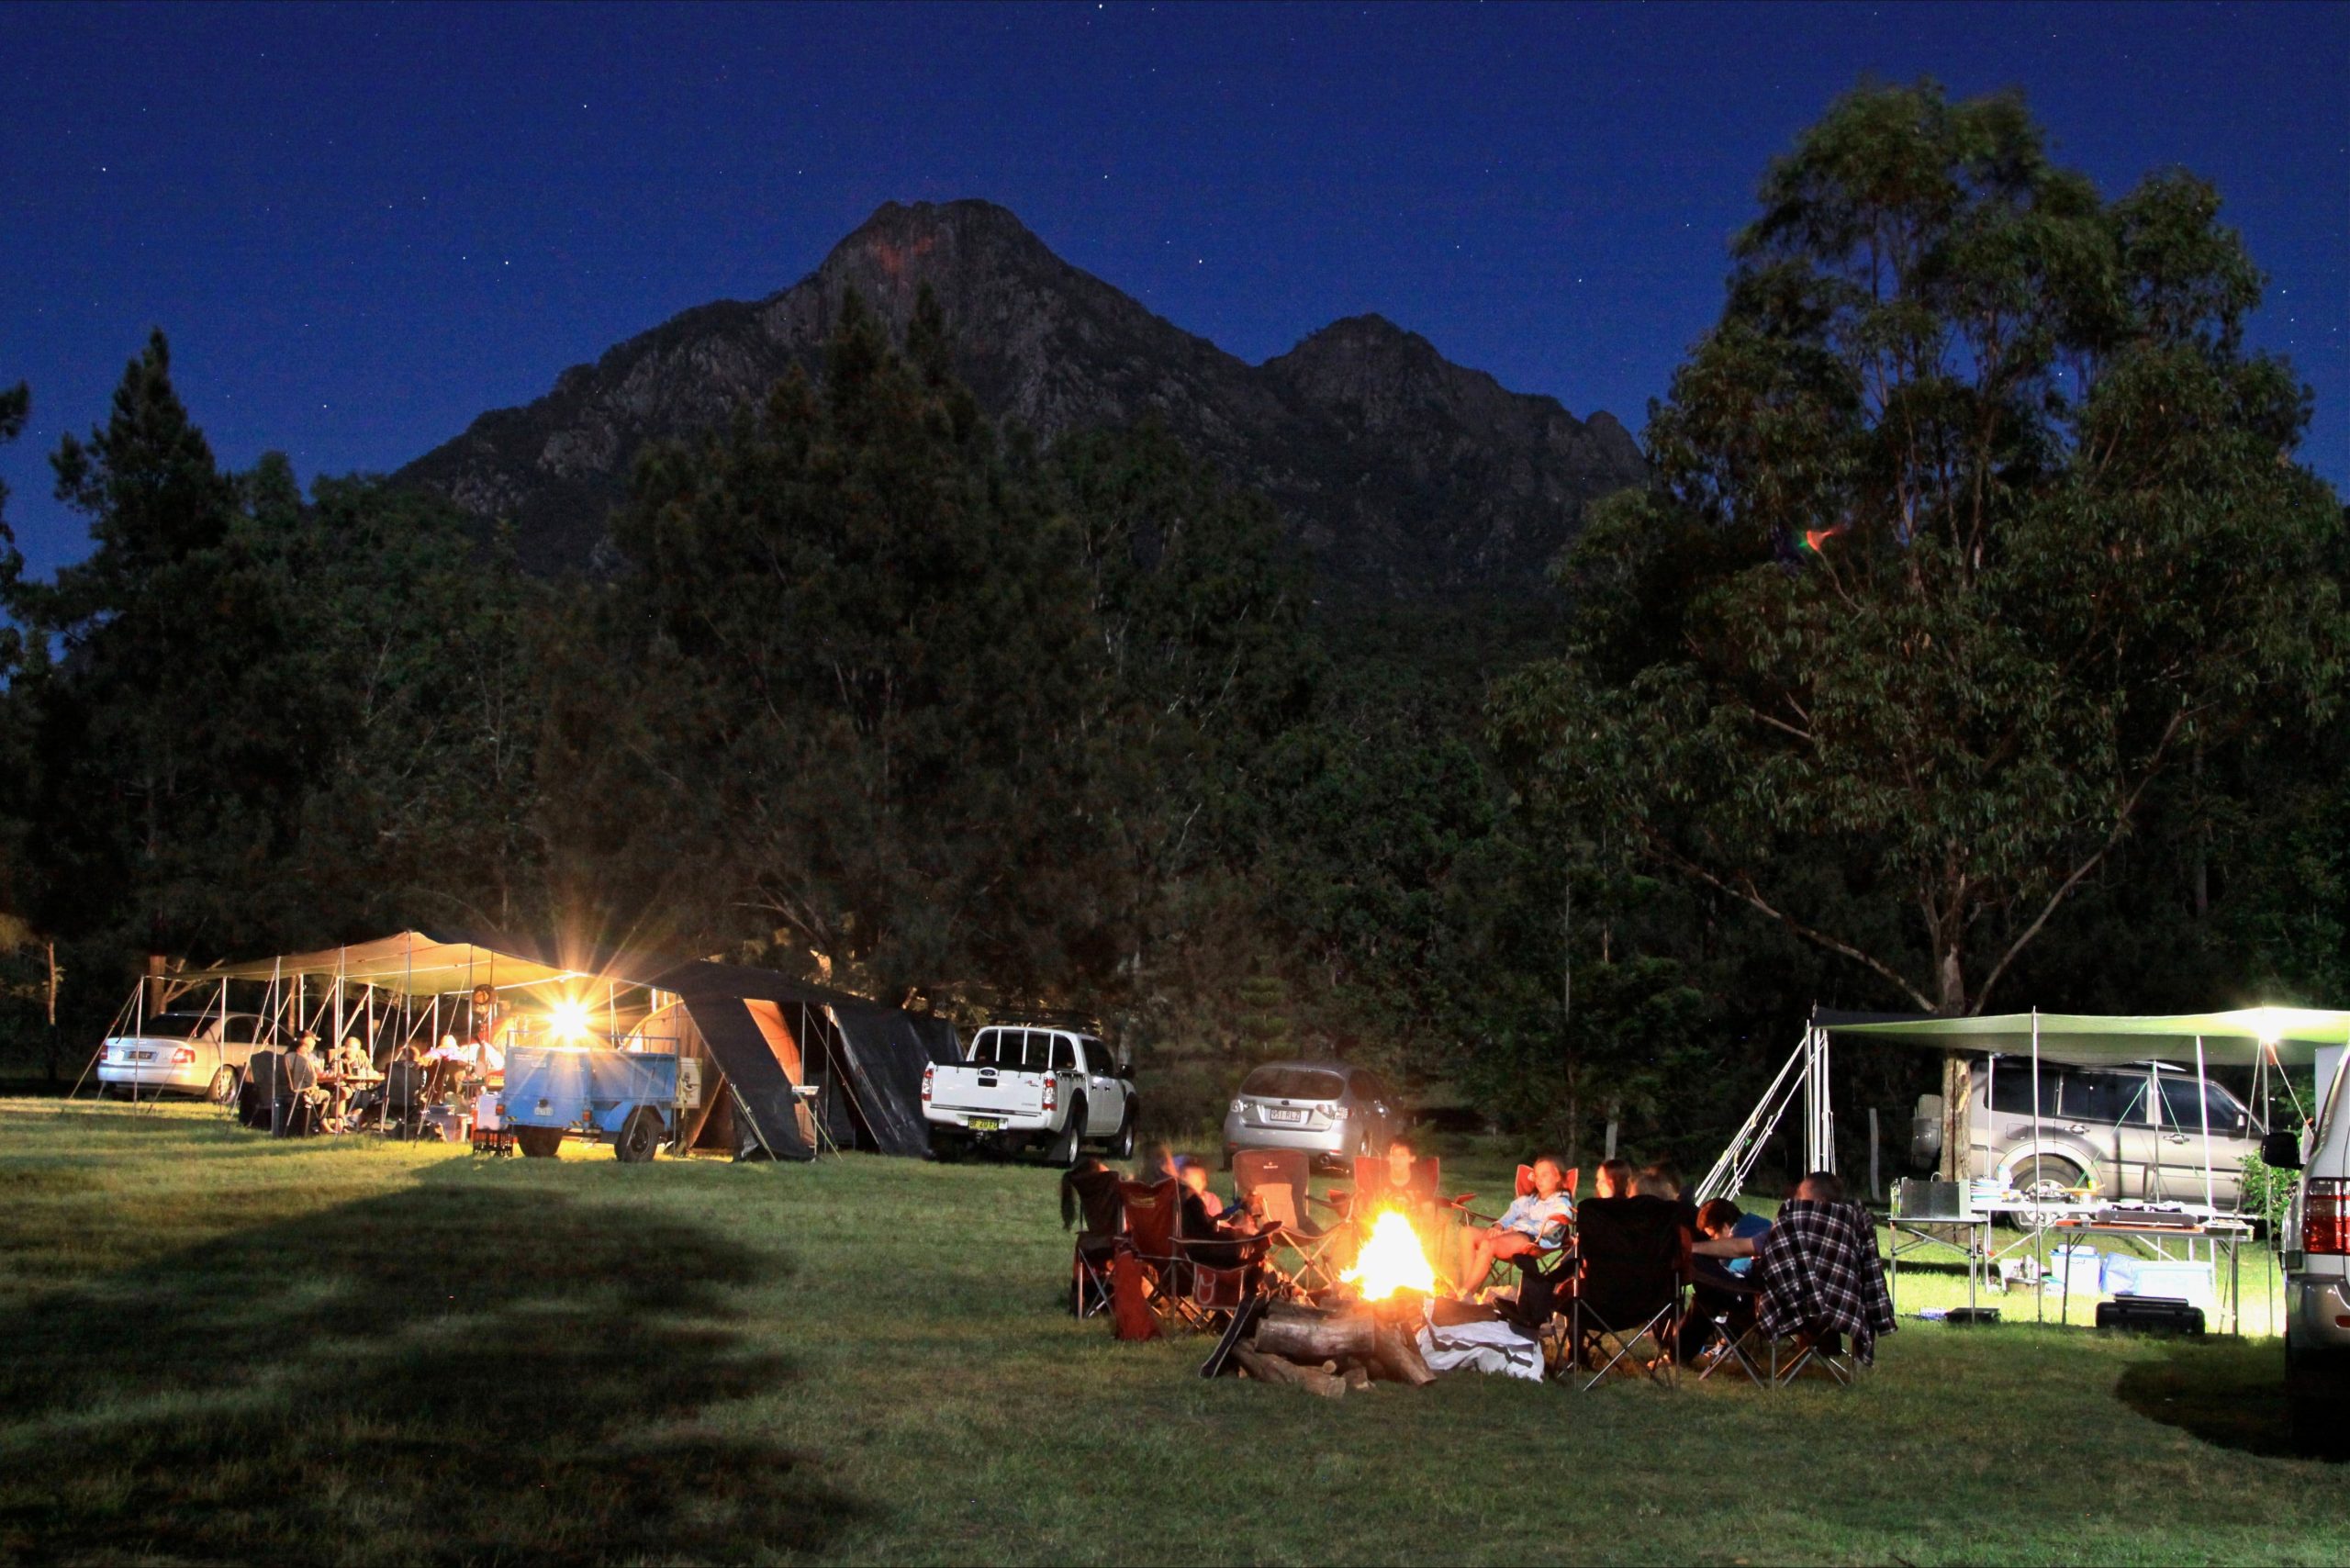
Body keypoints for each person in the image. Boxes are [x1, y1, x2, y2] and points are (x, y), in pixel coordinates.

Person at [1459, 1154, 1574, 1301]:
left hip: (1535, 1240)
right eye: (1537, 1175)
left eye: (1545, 1175)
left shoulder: (1561, 1204)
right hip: (1511, 1235)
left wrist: (1516, 1228)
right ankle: (1468, 1291)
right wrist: (1499, 1226)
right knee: (1467, 1232)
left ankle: (1463, 1293)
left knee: (1488, 1244)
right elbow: (1509, 1216)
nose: (1539, 1179)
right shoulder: (1527, 1200)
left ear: (1558, 1177)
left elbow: (1548, 1228)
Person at [278, 1033, 323, 1137]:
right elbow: (313, 1081)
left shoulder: (284, 1058)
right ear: (300, 1047)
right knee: (326, 1094)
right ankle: (317, 1123)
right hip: (301, 1093)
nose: (308, 1050)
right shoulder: (304, 1060)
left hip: (284, 1091)